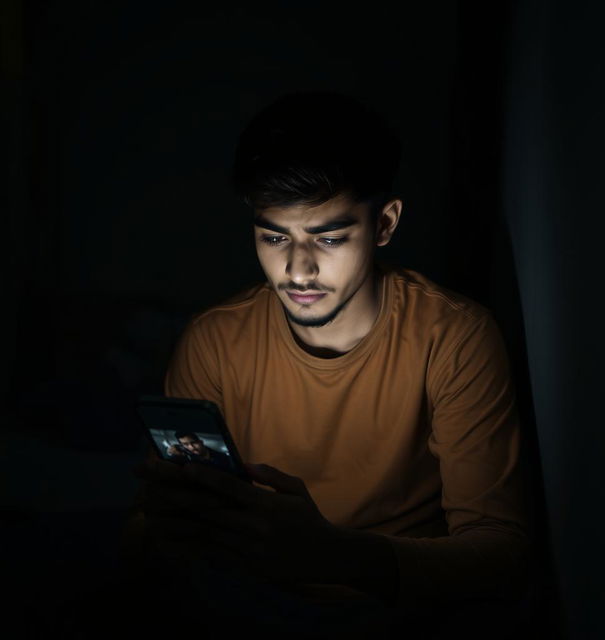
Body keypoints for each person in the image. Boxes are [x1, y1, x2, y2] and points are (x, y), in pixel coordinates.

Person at [126, 90, 530, 639]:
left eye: (330, 237)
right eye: (274, 237)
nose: (297, 269)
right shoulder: (214, 340)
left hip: (399, 608)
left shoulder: (454, 338)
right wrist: (170, 521)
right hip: (247, 601)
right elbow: (165, 531)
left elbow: (499, 554)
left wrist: (335, 556)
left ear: (385, 224)